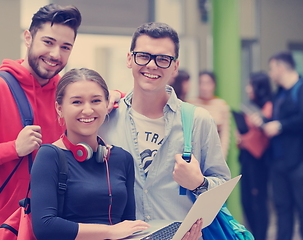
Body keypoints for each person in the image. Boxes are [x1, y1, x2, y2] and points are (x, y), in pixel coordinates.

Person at [0, 4, 83, 239]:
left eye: (65, 47)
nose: (55, 55)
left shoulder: (67, 94)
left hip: (46, 231)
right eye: (48, 42)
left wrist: (115, 97)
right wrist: (12, 149)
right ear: (28, 38)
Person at [99, 22, 231, 240]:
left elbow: (222, 187)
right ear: (129, 59)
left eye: (163, 59)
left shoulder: (197, 120)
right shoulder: (106, 118)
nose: (152, 65)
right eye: (143, 56)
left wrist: (200, 184)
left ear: (175, 66)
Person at [30, 68, 151, 240]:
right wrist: (109, 232)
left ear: (107, 104)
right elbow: (45, 227)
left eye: (95, 101)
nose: (87, 110)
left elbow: (128, 225)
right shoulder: (50, 156)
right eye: (77, 102)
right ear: (59, 108)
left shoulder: (122, 159)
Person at [262, 51, 303, 240]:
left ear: (281, 68)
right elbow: (274, 119)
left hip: (299, 161)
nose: (270, 73)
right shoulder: (279, 94)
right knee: (282, 210)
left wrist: (281, 126)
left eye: (272, 69)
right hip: (277, 160)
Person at [235, 72, 272, 240]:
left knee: (259, 203)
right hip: (246, 158)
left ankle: (260, 236)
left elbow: (263, 137)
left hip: (259, 162)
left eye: (250, 85)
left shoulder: (268, 106)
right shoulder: (249, 106)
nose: (247, 88)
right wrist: (240, 137)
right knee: (246, 201)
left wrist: (244, 138)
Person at [189, 71, 230, 160]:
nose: (204, 87)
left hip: (214, 153)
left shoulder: (221, 105)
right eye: (201, 83)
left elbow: (225, 134)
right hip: (193, 153)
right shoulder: (190, 103)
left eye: (208, 83)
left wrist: (222, 156)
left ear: (214, 85)